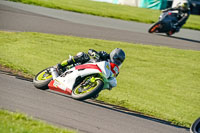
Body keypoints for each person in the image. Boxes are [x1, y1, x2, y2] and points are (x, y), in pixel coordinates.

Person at [56, 48, 126, 96]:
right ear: (113, 55)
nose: (118, 62)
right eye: (117, 59)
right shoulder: (104, 55)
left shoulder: (115, 70)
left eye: (120, 61)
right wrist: (95, 55)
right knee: (82, 55)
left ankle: (89, 87)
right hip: (85, 65)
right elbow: (90, 50)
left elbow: (110, 79)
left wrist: (98, 89)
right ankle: (61, 65)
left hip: (97, 75)